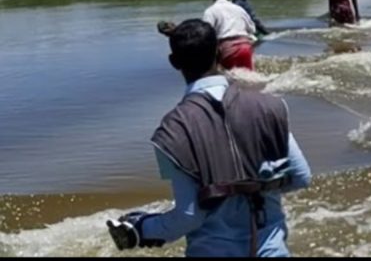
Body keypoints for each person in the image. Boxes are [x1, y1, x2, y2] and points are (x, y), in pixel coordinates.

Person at [106, 19, 312, 257]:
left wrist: (141, 229)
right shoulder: (271, 107)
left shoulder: (172, 131)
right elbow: (301, 178)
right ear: (219, 52)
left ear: (174, 63)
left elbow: (189, 216)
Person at [202, 0, 256, 71]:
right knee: (250, 78)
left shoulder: (210, 11)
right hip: (245, 47)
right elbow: (252, 29)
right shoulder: (239, 9)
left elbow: (205, 34)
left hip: (227, 49)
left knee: (230, 79)